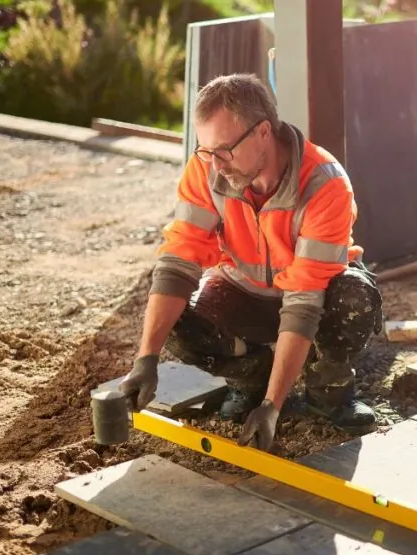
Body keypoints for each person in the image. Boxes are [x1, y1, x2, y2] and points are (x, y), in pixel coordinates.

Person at [118, 73, 383, 453]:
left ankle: (328, 389)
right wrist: (146, 359)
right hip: (245, 287)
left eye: (225, 149)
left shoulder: (325, 184)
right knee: (177, 322)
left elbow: (304, 299)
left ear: (263, 132)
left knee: (353, 299)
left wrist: (273, 407)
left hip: (318, 297)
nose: (216, 163)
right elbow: (178, 262)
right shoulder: (209, 167)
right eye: (205, 151)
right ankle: (250, 379)